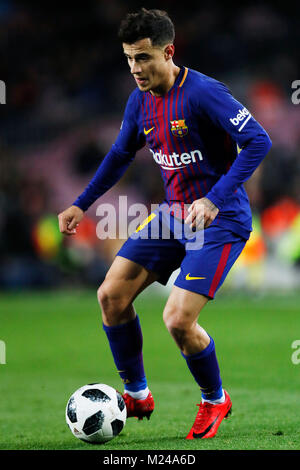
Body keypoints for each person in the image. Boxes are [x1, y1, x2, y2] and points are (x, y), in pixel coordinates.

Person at [58, 8, 272, 439]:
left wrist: (214, 198)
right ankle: (136, 393)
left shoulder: (204, 93)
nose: (135, 68)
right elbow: (120, 155)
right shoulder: (139, 100)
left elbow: (258, 141)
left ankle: (215, 399)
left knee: (177, 319)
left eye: (143, 58)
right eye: (129, 59)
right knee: (111, 296)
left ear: (168, 51)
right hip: (172, 215)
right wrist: (81, 203)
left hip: (220, 219)